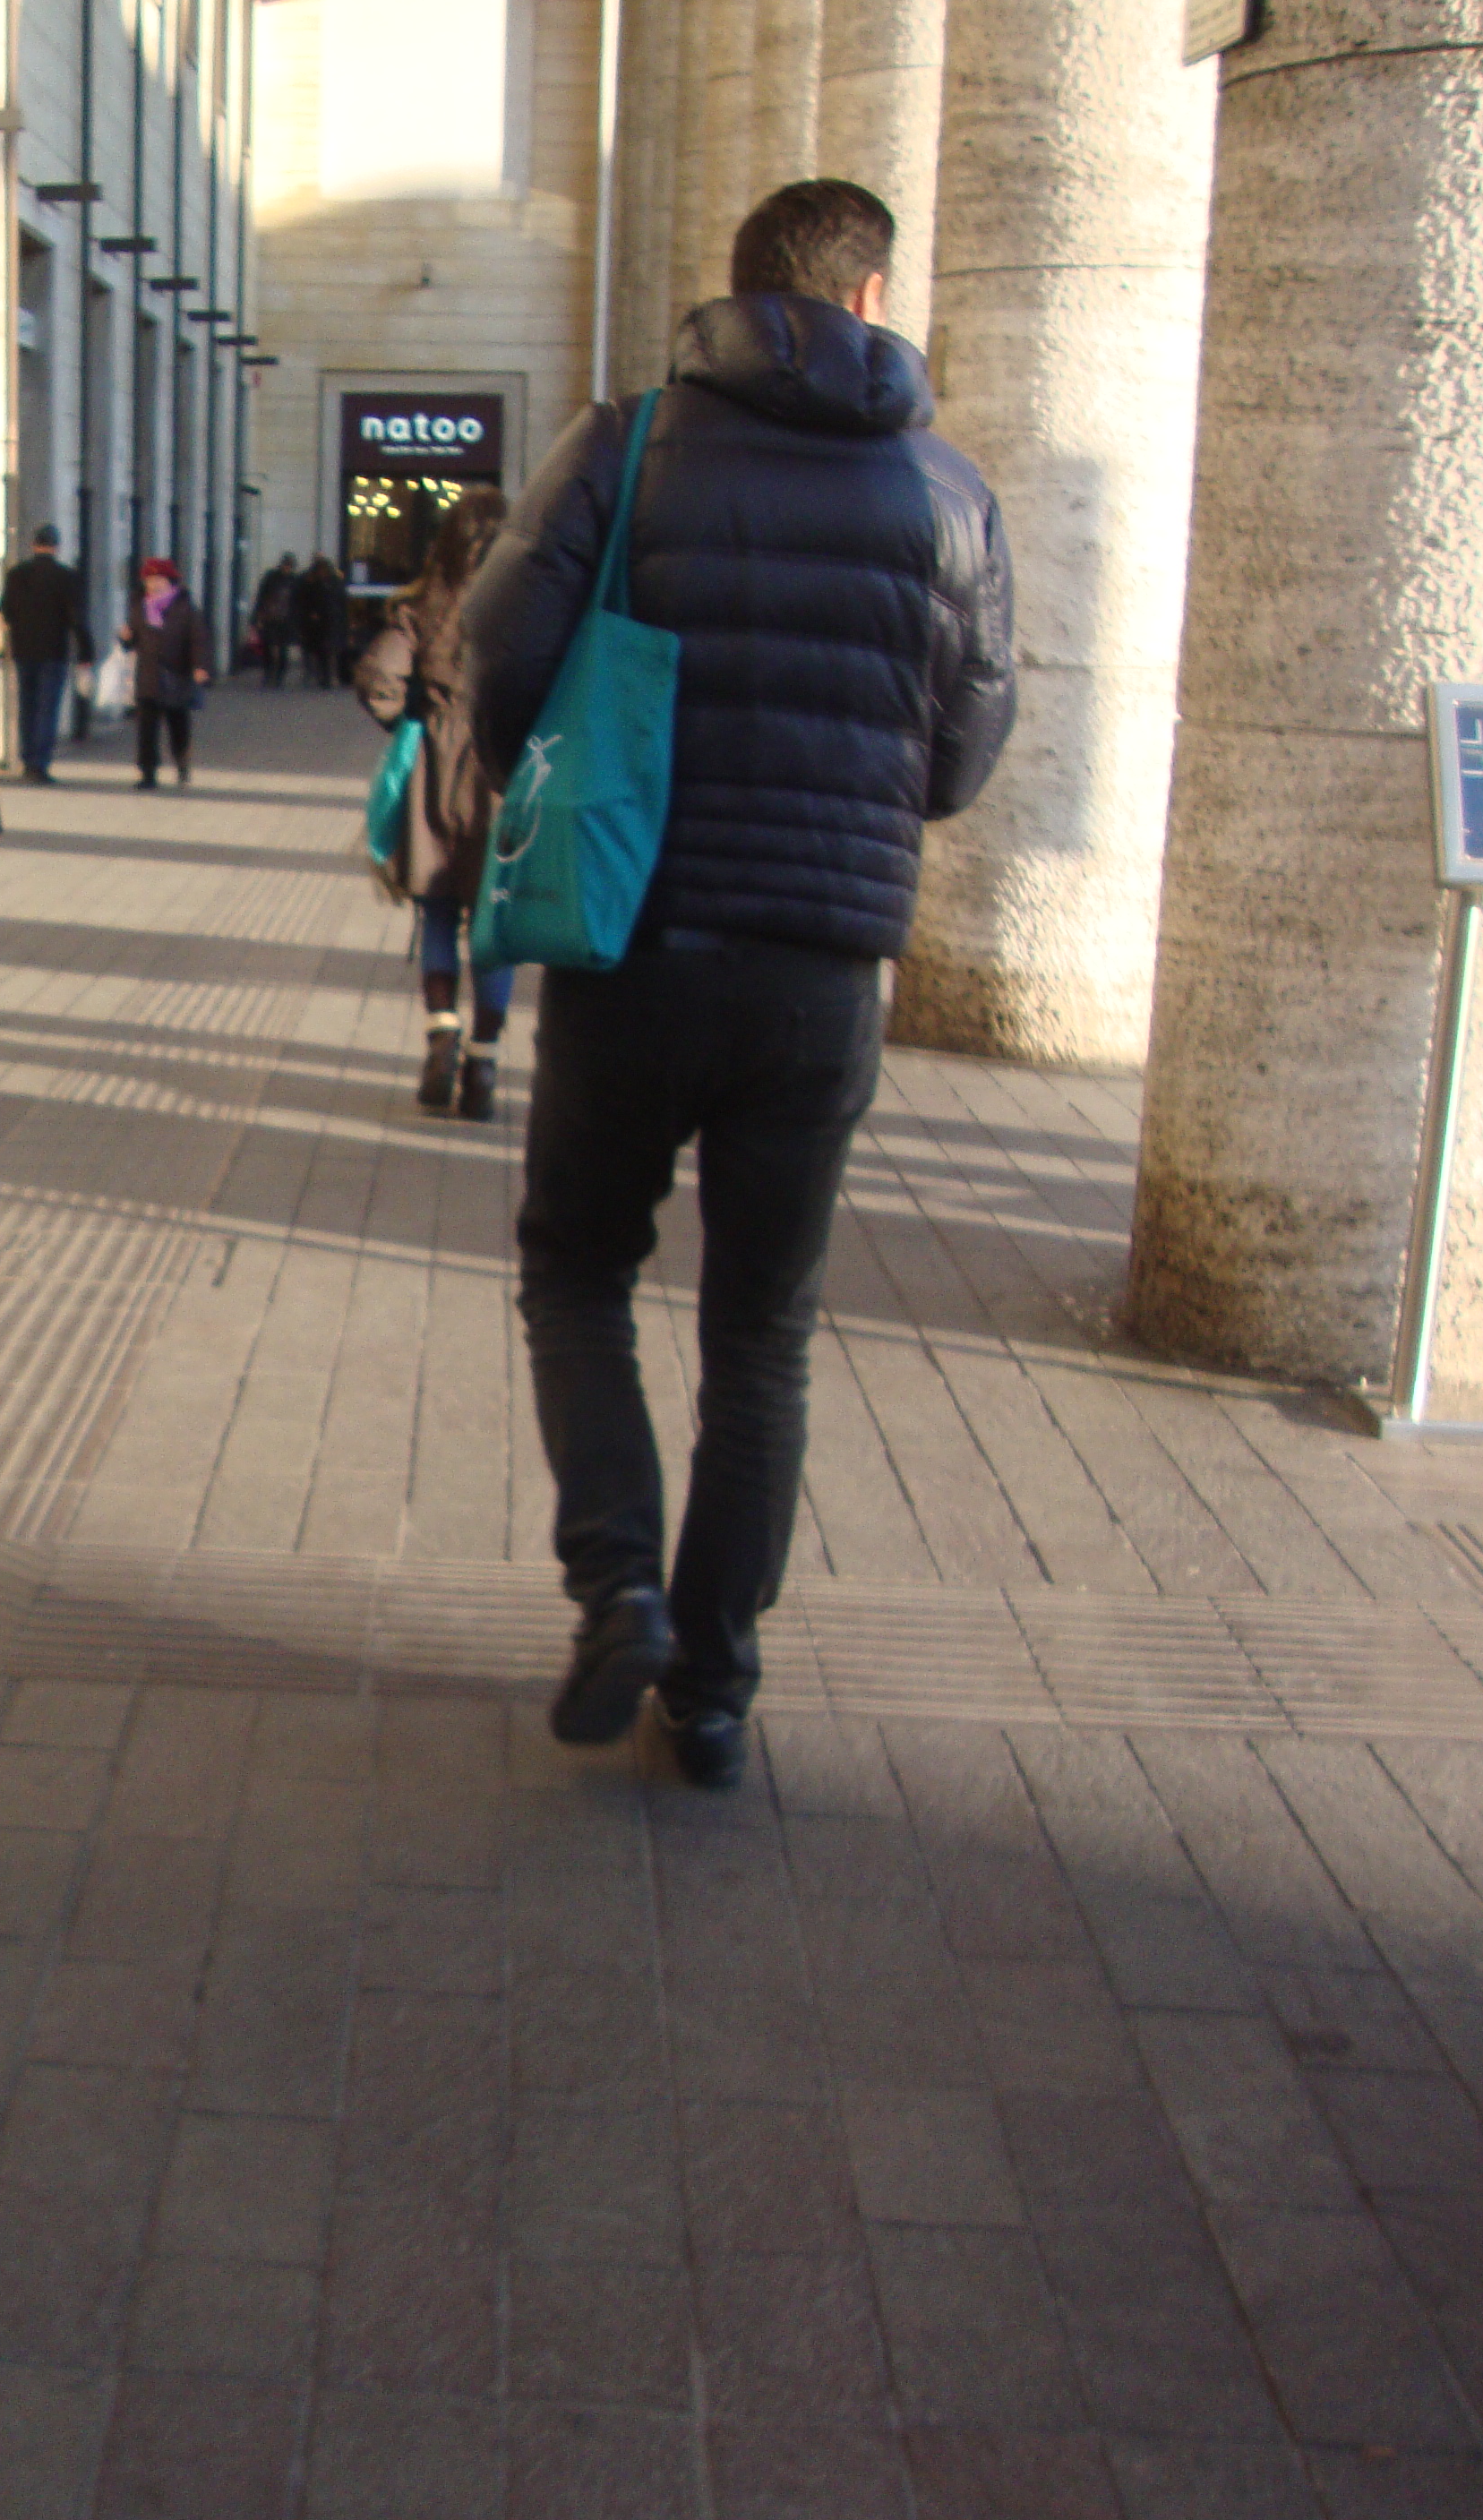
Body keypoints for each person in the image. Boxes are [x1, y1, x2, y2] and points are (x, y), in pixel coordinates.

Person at [465, 177, 1014, 1791]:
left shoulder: (626, 445)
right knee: (761, 1339)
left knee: (578, 1269)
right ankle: (711, 1689)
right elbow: (967, 743)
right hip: (822, 969)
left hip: (636, 942)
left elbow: (502, 641)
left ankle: (615, 1578)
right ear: (870, 296)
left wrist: (543, 791)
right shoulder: (946, 490)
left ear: (738, 294)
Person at [354, 487, 511, 1119]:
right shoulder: (526, 607)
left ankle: (441, 1037)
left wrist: (407, 717)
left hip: (433, 771)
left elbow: (377, 682)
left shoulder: (419, 607)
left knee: (440, 914)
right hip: (502, 778)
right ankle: (483, 1063)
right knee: (496, 931)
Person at [0, 523, 83, 782]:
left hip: (23, 649)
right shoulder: (66, 577)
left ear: (34, 545)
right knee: (47, 707)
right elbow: (76, 618)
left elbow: (5, 612)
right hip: (53, 651)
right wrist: (86, 652)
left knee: (27, 705)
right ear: (56, 547)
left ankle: (26, 759)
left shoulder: (16, 575)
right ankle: (39, 763)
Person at [117, 556, 212, 789]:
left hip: (176, 674)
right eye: (148, 580)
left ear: (169, 580)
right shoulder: (138, 604)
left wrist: (200, 666)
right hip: (148, 674)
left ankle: (182, 764)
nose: (152, 584)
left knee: (177, 723)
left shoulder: (185, 606)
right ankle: (147, 772)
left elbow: (198, 638)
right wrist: (125, 638)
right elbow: (132, 641)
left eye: (157, 579)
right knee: (146, 728)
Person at [298, 549, 349, 688]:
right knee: (322, 651)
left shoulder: (332, 582)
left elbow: (341, 601)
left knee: (329, 651)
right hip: (321, 622)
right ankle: (324, 676)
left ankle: (329, 677)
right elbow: (306, 600)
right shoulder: (314, 582)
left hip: (330, 621)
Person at [251, 550, 302, 689]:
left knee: (282, 649)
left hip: (286, 620)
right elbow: (261, 598)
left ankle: (279, 676)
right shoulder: (272, 578)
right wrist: (257, 618)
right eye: (286, 565)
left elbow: (298, 603)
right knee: (268, 646)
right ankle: (269, 674)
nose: (287, 568)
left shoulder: (294, 581)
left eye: (289, 566)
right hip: (271, 618)